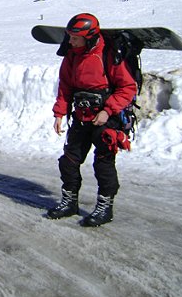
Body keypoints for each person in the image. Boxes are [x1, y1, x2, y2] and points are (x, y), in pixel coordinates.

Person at [46, 13, 137, 226]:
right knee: (68, 161)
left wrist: (108, 111)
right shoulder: (72, 55)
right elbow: (65, 86)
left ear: (89, 36)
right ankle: (69, 203)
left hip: (106, 119)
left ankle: (105, 208)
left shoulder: (108, 54)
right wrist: (59, 113)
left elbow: (128, 87)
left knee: (103, 164)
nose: (70, 40)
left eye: (75, 37)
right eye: (69, 36)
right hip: (81, 116)